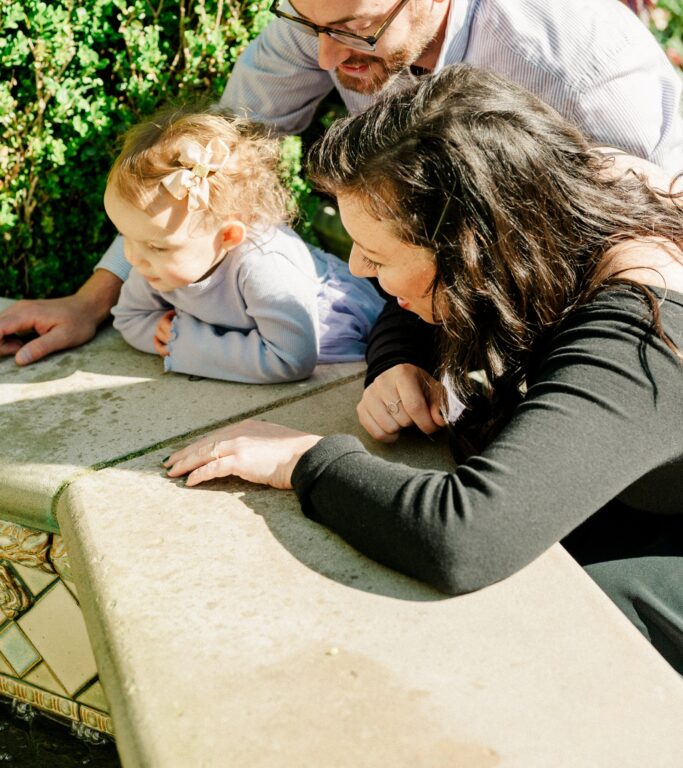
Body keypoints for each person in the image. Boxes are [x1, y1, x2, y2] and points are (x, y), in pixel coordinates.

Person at [1, 0, 681, 366]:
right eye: (307, 23)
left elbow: (651, 248)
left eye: (355, 31)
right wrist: (92, 301)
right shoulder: (330, 13)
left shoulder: (581, 65)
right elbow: (203, 167)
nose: (325, 56)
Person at [164, 65, 683, 671]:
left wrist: (303, 461)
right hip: (641, 504)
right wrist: (398, 359)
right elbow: (405, 304)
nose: (357, 270)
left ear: (472, 250)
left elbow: (467, 535)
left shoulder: (641, 330)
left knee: (563, 619)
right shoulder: (552, 196)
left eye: (376, 256)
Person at [103, 107, 383, 382]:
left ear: (228, 237)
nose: (133, 257)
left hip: (335, 331)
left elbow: (291, 359)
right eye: (125, 236)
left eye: (157, 247)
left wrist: (184, 342)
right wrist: (161, 331)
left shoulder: (264, 265)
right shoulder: (154, 263)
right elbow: (129, 318)